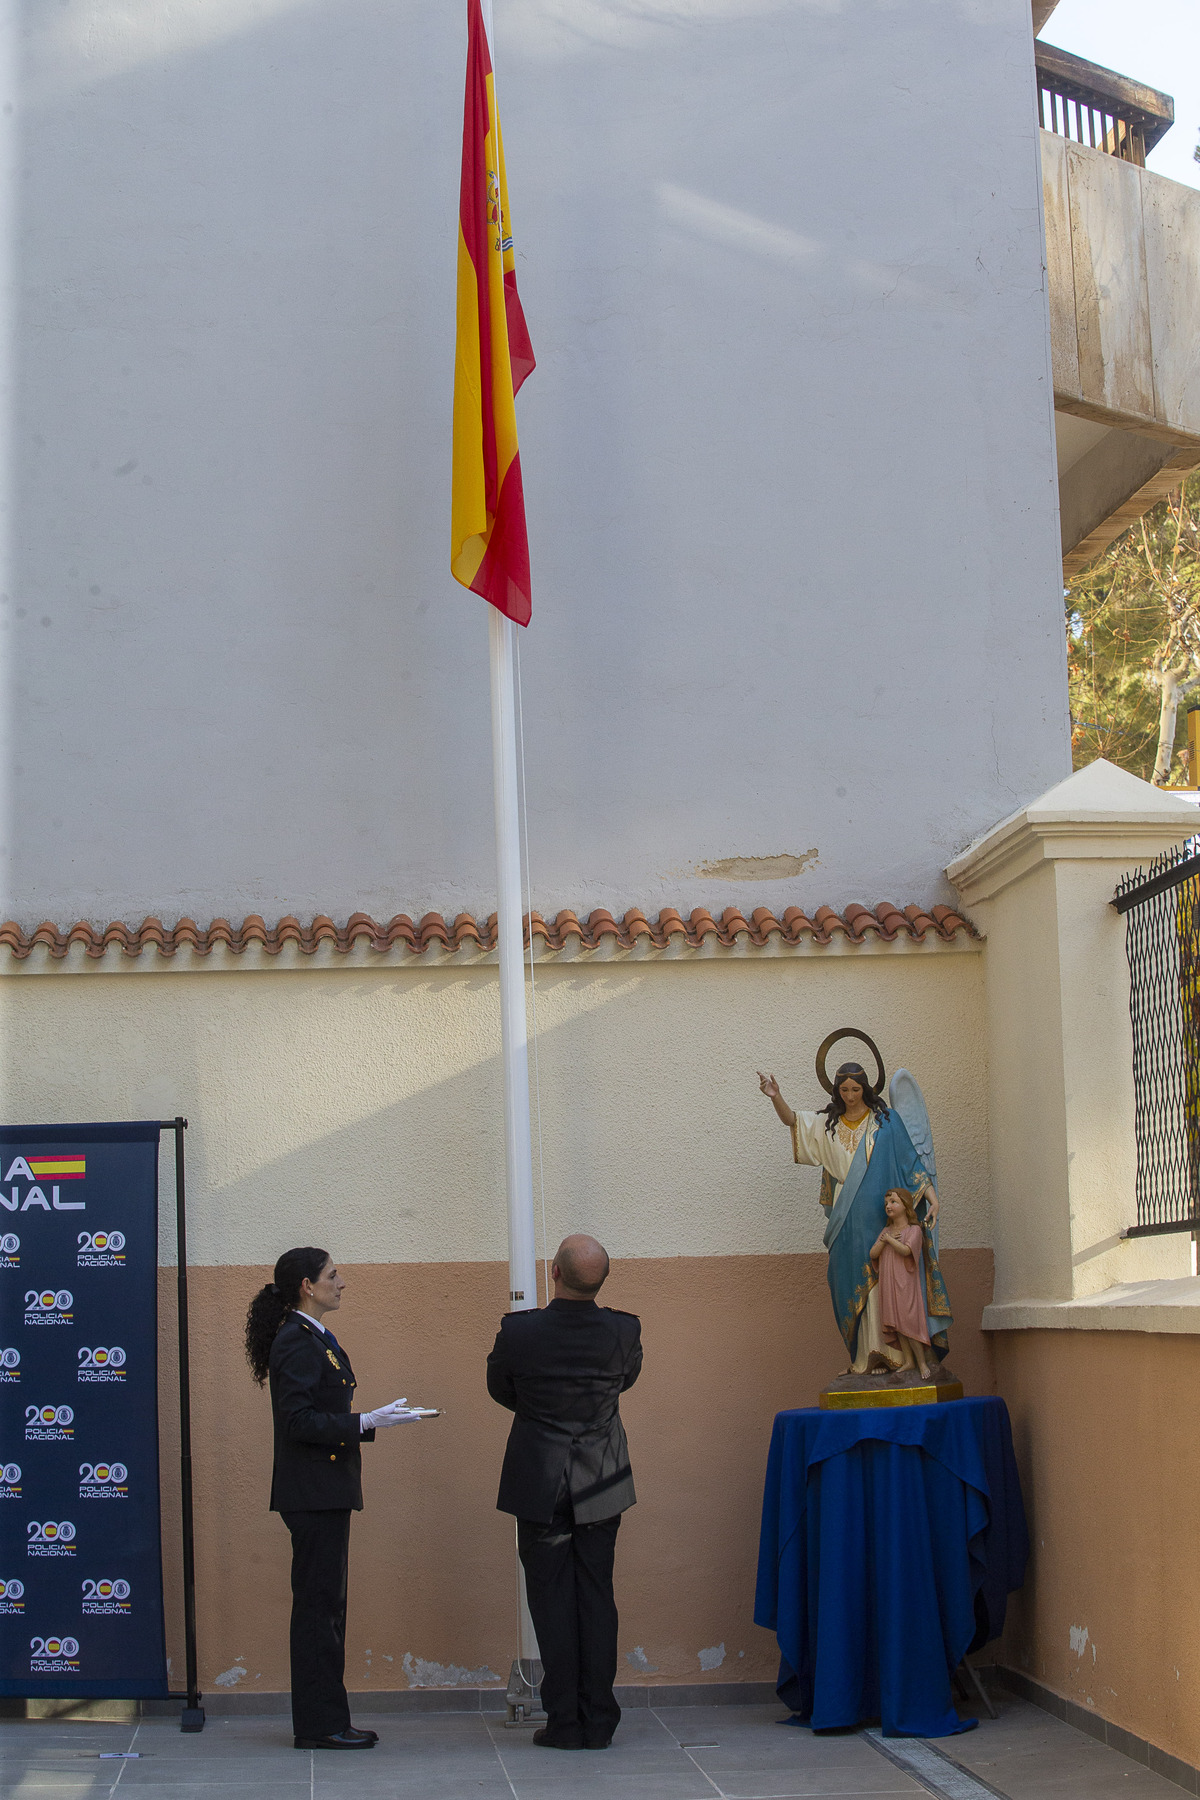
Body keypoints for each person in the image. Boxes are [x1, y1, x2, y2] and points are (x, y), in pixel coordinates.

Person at [245, 1246, 424, 1749]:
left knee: (326, 1609)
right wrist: (363, 1422)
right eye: (333, 1275)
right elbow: (298, 1421)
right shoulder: (298, 1341)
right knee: (319, 1611)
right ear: (307, 1285)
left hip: (323, 1490)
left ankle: (328, 1720)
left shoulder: (313, 1337)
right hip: (313, 1493)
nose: (341, 1283)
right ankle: (320, 1725)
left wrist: (369, 1420)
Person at [486, 1235, 641, 1752]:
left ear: (553, 1273)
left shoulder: (520, 1332)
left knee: (551, 1602)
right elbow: (625, 1381)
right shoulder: (623, 1329)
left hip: (540, 1478)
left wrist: (541, 1418)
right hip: (602, 1480)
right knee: (598, 1597)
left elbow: (500, 1388)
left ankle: (564, 1722)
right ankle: (600, 1718)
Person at [757, 1061, 951, 1372]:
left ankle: (896, 1357)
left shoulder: (886, 1122)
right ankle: (866, 1355)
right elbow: (792, 1121)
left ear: (867, 1089)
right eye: (844, 1089)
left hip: (880, 1216)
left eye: (856, 1089)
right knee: (848, 1280)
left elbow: (911, 1163)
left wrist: (933, 1198)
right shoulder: (826, 1125)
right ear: (836, 1091)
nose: (850, 1095)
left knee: (887, 1279)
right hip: (845, 1219)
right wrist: (775, 1096)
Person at [870, 1188, 933, 1378]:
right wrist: (885, 1240)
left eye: (893, 1202)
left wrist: (889, 1240)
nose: (888, 1206)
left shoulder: (913, 1230)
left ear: (905, 1206)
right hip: (889, 1283)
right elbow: (873, 1254)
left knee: (909, 1322)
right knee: (897, 1324)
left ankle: (922, 1363)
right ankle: (908, 1360)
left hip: (905, 1283)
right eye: (886, 1204)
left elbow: (907, 1251)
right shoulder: (886, 1231)